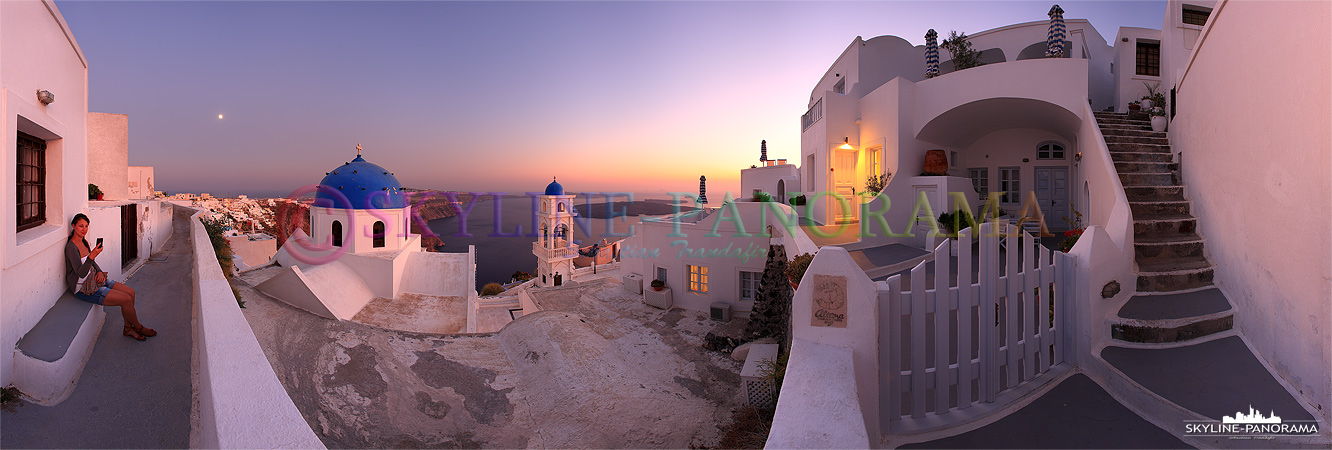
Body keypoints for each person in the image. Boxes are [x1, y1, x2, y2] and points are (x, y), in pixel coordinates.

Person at [65, 213, 156, 341]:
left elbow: (92, 263)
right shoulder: (71, 247)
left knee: (131, 292)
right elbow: (81, 273)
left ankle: (128, 328)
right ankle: (138, 327)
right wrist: (92, 256)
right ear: (73, 226)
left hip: (94, 279)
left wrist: (100, 272)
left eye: (86, 226)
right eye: (81, 226)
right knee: (126, 300)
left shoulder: (83, 242)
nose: (84, 229)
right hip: (83, 288)